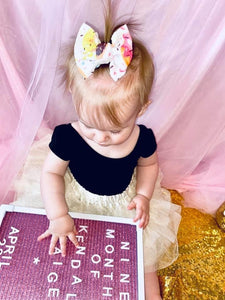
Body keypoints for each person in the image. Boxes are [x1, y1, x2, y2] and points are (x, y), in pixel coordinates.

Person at [37, 20, 181, 300]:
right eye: (89, 125)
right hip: (75, 200)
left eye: (115, 130)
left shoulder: (143, 138)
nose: (100, 137)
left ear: (142, 109)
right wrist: (58, 214)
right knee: (66, 250)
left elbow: (148, 165)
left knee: (141, 257)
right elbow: (51, 174)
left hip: (121, 204)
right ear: (72, 95)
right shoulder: (67, 136)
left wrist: (143, 195)